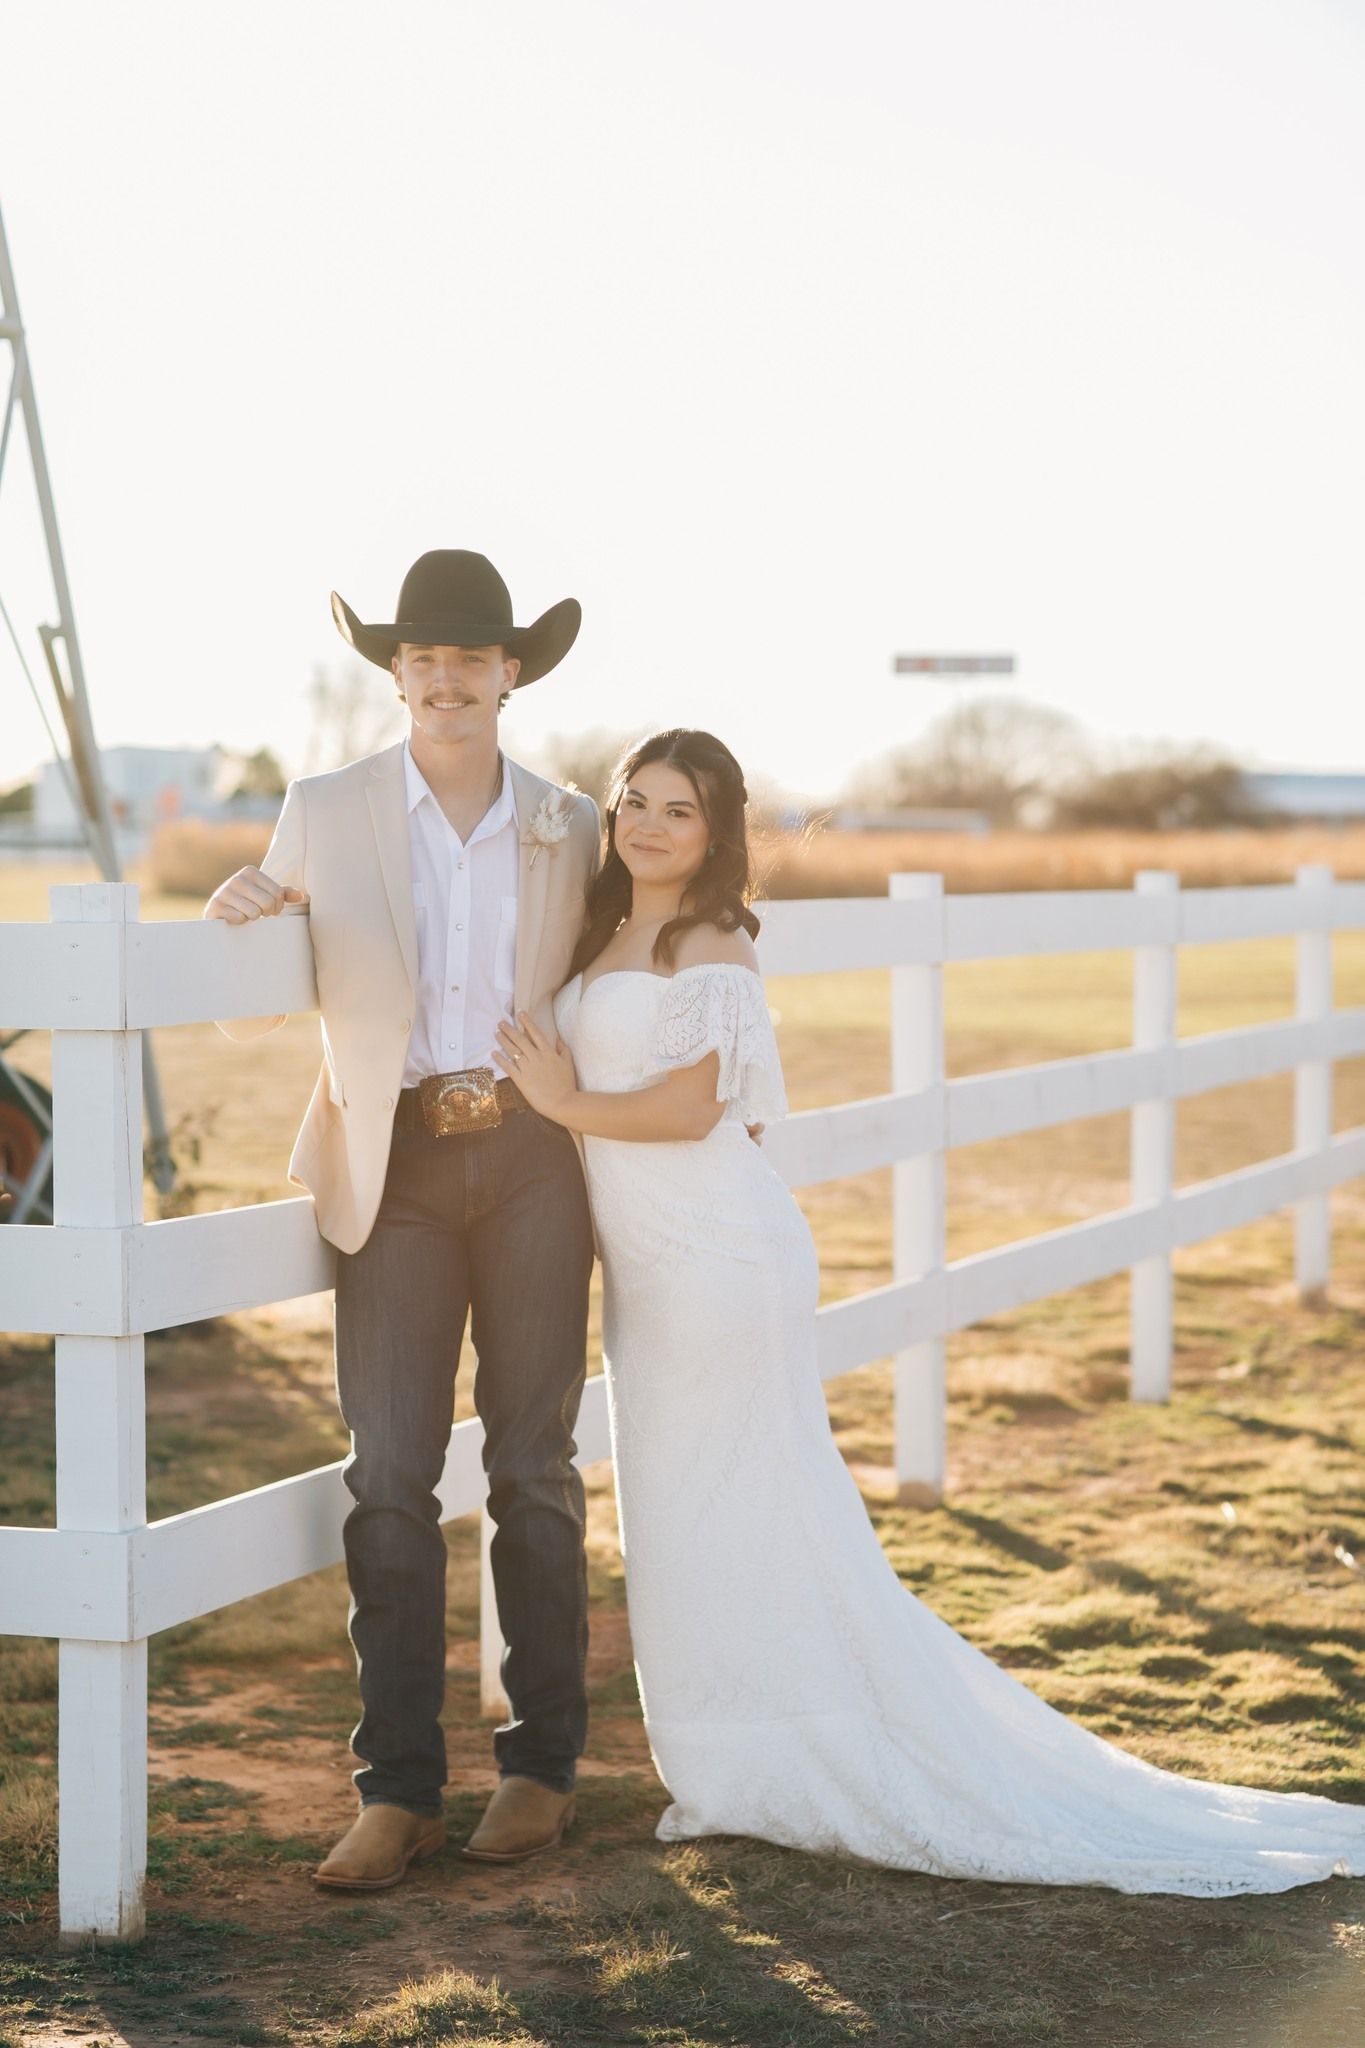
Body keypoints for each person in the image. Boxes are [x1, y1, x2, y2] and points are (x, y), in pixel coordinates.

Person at [495, 726, 1365, 1896]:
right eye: (633, 801)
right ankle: (729, 1764)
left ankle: (793, 1756)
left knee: (748, 1502)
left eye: (678, 809)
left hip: (718, 1265)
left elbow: (700, 1112)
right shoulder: (603, 931)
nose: (647, 824)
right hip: (651, 1272)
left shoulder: (711, 942)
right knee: (681, 1511)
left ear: (717, 832)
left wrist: (562, 1097)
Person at [206, 550, 600, 1890]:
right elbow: (249, 997)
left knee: (534, 1465)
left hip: (539, 1160)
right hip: (397, 1167)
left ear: (510, 675)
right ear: (395, 673)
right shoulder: (322, 808)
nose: (445, 678)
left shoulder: (571, 819)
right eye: (421, 658)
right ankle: (399, 1789)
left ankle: (542, 1766)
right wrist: (239, 910)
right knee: (388, 1475)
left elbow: (630, 961)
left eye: (470, 659)